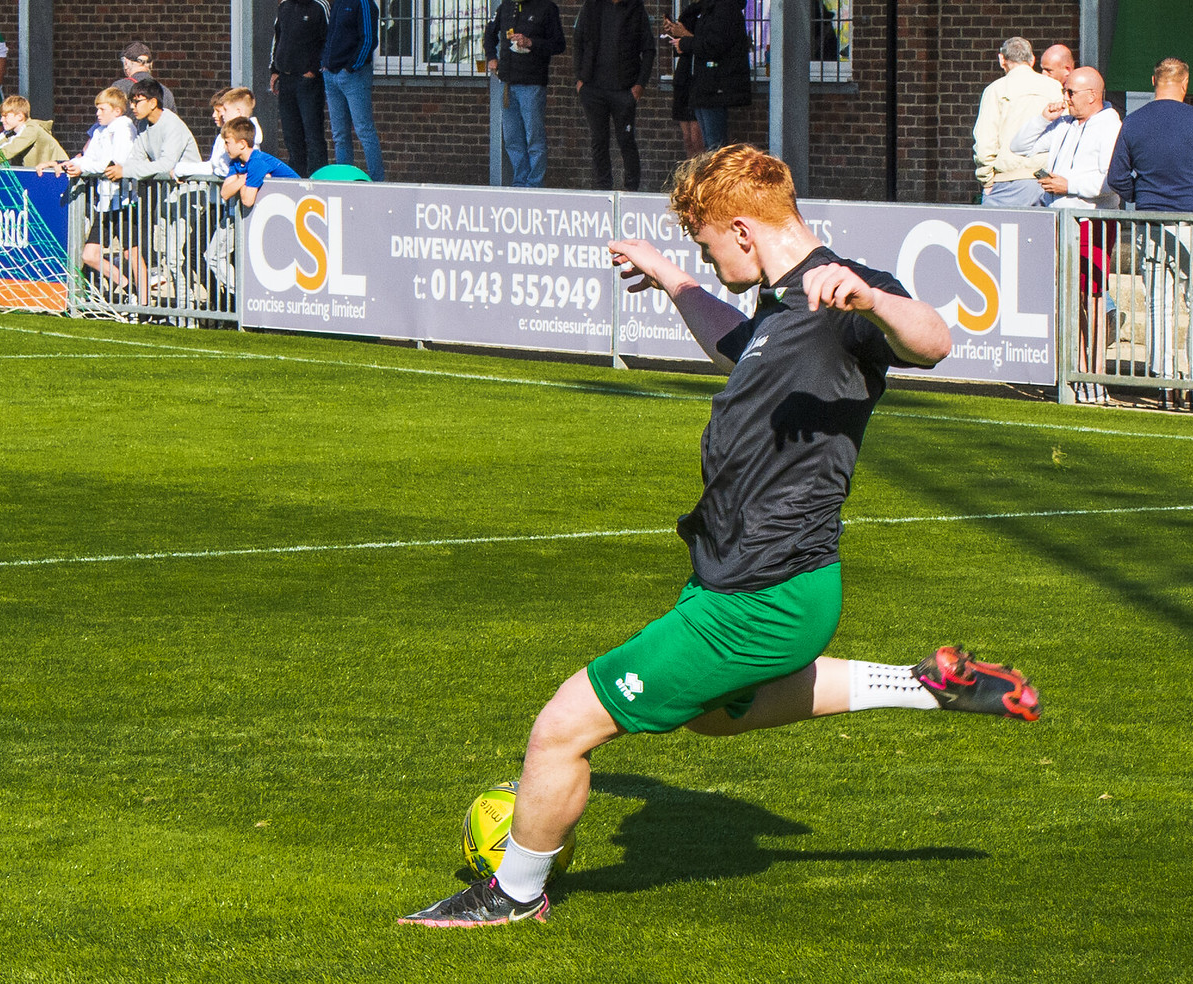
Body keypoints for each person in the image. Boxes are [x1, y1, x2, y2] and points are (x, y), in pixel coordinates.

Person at [397, 144, 1042, 929]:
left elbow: (932, 342)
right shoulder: (780, 304)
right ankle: (923, 684)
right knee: (711, 712)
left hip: (763, 591)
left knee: (561, 728)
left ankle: (511, 894)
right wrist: (675, 279)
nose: (708, 258)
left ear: (740, 228)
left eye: (706, 245)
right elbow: (736, 345)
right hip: (746, 578)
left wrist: (871, 299)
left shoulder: (840, 292)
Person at [1107, 57, 1193, 412]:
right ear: (1185, 83)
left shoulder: (1134, 122)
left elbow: (1117, 178)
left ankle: (1164, 383)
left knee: (1159, 306)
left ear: (1153, 81)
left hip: (1151, 225)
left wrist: (1143, 194)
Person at [1010, 65, 1121, 405]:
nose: (1065, 97)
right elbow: (1020, 145)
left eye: (1070, 92)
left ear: (1093, 95)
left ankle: (1095, 377)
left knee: (1093, 298)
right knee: (1069, 299)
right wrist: (1043, 118)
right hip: (1058, 219)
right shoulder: (1064, 124)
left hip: (1090, 221)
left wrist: (1067, 184)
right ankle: (1077, 371)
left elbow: (1110, 179)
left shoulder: (1110, 126)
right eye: (1065, 90)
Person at [104, 80, 202, 306]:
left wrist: (126, 171)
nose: (132, 107)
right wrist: (123, 168)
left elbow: (166, 164)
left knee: (177, 256)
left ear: (153, 102)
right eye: (131, 102)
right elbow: (136, 158)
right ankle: (182, 309)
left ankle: (188, 311)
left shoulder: (172, 125)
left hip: (189, 196)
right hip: (168, 196)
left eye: (137, 101)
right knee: (168, 256)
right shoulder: (143, 126)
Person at [45, 87, 138, 301]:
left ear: (117, 111)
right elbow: (87, 158)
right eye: (97, 109)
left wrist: (83, 168)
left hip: (124, 200)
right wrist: (67, 164)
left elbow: (115, 162)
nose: (98, 113)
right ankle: (129, 289)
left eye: (102, 109)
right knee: (89, 255)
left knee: (132, 254)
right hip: (105, 202)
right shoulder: (99, 131)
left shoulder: (124, 129)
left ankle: (143, 303)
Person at [574, 0, 656, 191]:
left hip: (624, 89)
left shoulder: (635, 8)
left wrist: (640, 84)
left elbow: (649, 49)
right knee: (598, 139)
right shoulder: (592, 6)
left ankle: (631, 189)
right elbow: (578, 41)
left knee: (626, 139)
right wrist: (580, 78)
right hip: (593, 87)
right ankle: (603, 187)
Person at [973, 36, 1063, 207]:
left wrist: (987, 180)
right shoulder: (1054, 87)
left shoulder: (995, 90)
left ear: (1002, 59)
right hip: (1047, 180)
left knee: (1001, 225)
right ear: (1032, 59)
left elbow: (985, 142)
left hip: (1008, 181)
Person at [485, 0, 566, 188]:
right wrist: (491, 57)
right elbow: (490, 33)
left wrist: (531, 42)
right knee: (512, 138)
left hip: (532, 83)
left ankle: (534, 184)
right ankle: (519, 183)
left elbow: (559, 44)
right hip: (508, 83)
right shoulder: (506, 7)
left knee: (534, 138)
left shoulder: (546, 8)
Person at [665, 0, 749, 150]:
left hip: (715, 84)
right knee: (707, 143)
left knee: (714, 145)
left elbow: (713, 45)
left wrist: (685, 42)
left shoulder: (724, 9)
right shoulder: (705, 9)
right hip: (703, 83)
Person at [322, 0, 385, 182]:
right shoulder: (338, 3)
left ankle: (377, 181)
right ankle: (344, 180)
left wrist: (351, 67)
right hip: (332, 74)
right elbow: (330, 36)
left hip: (353, 76)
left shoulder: (364, 3)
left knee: (364, 130)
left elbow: (369, 40)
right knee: (339, 134)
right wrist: (325, 63)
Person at [269, 0, 331, 178]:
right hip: (286, 78)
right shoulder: (284, 6)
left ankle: (318, 179)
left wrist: (313, 69)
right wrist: (274, 70)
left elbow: (328, 40)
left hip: (308, 81)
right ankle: (296, 179)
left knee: (313, 135)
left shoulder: (319, 6)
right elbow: (277, 38)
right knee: (291, 135)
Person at [220, 116, 299, 208]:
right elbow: (225, 193)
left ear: (242, 144)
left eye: (227, 143)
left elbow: (247, 201)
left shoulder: (257, 162)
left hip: (296, 200)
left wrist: (239, 179)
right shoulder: (236, 162)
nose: (225, 147)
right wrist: (244, 178)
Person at [666, 3, 705, 157]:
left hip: (700, 77)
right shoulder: (689, 12)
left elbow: (709, 44)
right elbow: (679, 48)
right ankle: (691, 170)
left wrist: (685, 34)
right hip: (684, 75)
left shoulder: (712, 13)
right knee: (687, 138)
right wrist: (673, 32)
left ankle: (702, 170)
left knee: (698, 139)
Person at [110, 41, 177, 117]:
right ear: (151, 64)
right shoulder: (165, 91)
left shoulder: (120, 87)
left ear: (126, 63)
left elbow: (108, 117)